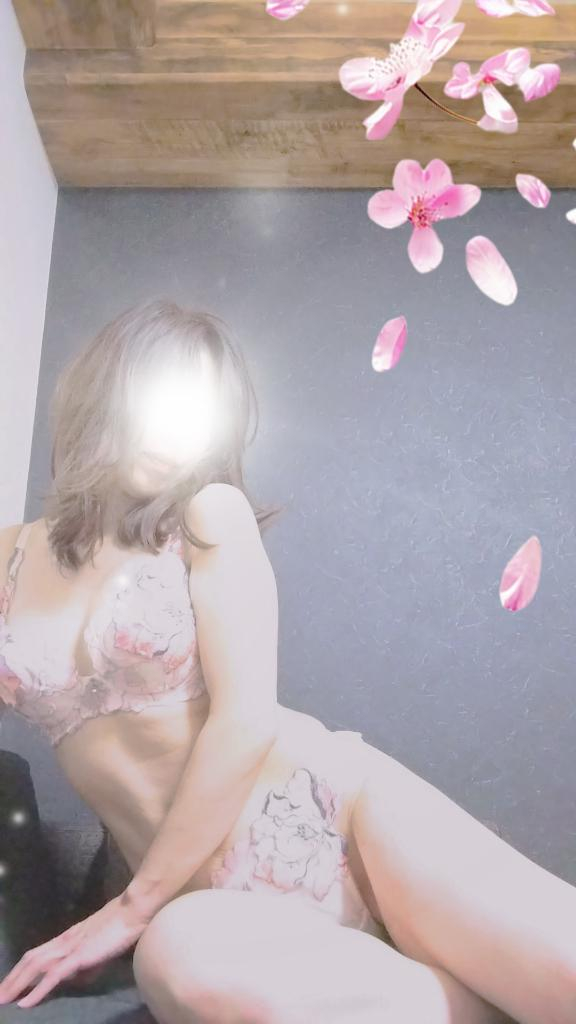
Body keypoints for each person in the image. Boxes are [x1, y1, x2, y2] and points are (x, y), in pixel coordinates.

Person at [0, 298, 574, 1024]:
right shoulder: (9, 559)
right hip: (211, 918)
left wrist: (128, 909)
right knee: (181, 961)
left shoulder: (208, 515)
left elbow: (245, 721)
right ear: (105, 390)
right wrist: (144, 914)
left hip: (343, 821)